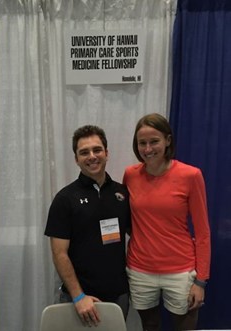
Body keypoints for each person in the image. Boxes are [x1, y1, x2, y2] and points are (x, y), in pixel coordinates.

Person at [123, 113, 211, 331]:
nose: (148, 148)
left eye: (154, 141)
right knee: (150, 326)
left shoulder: (191, 175)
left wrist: (201, 282)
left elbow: (202, 233)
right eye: (142, 143)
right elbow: (126, 219)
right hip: (140, 269)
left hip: (181, 271)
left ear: (168, 141)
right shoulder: (130, 175)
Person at [44, 125, 130, 326]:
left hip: (119, 296)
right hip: (79, 300)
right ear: (76, 159)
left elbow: (137, 235)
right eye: (84, 152)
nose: (92, 156)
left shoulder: (122, 194)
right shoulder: (65, 199)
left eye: (97, 150)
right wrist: (78, 296)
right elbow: (59, 253)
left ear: (106, 153)